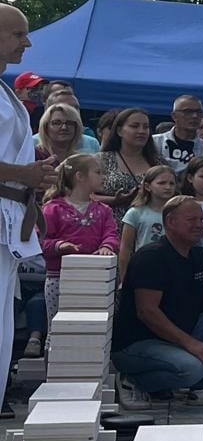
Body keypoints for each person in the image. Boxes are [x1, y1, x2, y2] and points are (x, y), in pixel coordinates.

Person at [111, 195, 203, 408]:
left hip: (175, 335)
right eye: (192, 220)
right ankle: (132, 380)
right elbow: (147, 312)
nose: (199, 225)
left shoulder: (199, 255)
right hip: (138, 343)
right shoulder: (151, 257)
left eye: (201, 219)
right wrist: (191, 344)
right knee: (191, 368)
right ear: (171, 222)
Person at [40, 153, 119, 319]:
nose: (103, 177)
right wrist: (59, 246)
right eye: (98, 172)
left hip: (95, 277)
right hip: (59, 277)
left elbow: (111, 234)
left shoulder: (104, 210)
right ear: (80, 176)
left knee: (93, 324)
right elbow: (40, 241)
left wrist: (107, 246)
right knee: (59, 326)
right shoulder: (52, 208)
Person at [98, 108, 163, 217]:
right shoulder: (100, 160)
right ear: (119, 131)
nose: (141, 131)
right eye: (134, 126)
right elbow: (81, 195)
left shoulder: (159, 163)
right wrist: (114, 200)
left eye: (146, 127)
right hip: (110, 223)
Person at [118, 166, 177, 281]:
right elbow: (126, 247)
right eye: (162, 183)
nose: (168, 187)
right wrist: (124, 277)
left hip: (173, 267)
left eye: (172, 183)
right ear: (147, 186)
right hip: (144, 268)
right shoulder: (135, 213)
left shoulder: (179, 213)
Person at [152, 94, 203, 166]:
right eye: (187, 112)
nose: (195, 116)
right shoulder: (154, 143)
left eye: (199, 112)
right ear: (174, 116)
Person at [36, 103, 92, 170]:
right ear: (45, 127)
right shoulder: (34, 155)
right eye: (56, 123)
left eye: (69, 123)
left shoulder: (81, 160)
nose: (64, 127)